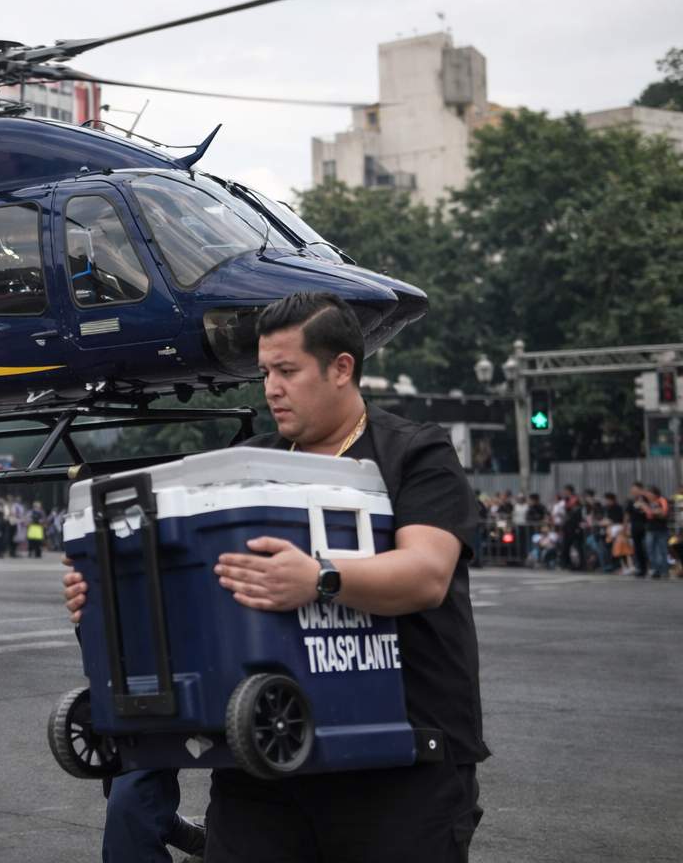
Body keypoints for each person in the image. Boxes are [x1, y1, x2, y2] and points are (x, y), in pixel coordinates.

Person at [62, 292, 486, 862]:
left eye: (288, 371)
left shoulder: (415, 452)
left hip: (405, 764)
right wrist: (108, 598)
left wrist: (318, 578)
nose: (271, 388)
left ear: (342, 368)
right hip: (267, 761)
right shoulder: (249, 463)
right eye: (265, 372)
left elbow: (426, 574)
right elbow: (197, 585)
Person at [644, 484, 671, 579]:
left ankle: (664, 570)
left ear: (655, 494)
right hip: (650, 529)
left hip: (661, 530)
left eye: (649, 493)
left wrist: (652, 511)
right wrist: (652, 511)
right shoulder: (648, 503)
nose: (648, 494)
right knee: (650, 550)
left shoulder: (662, 500)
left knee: (662, 551)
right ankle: (656, 570)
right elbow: (649, 515)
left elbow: (663, 513)